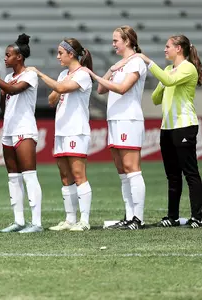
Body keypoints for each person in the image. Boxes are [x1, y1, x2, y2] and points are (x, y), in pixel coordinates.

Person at [82, 26, 147, 230]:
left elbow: (121, 88)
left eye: (116, 40)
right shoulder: (120, 64)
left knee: (132, 169)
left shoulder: (136, 62)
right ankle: (129, 216)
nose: (113, 44)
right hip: (115, 120)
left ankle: (138, 217)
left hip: (129, 119)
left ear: (127, 41)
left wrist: (93, 74)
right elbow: (101, 89)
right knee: (122, 170)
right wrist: (112, 68)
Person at [26, 38, 93, 231]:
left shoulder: (83, 74)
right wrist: (59, 84)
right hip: (62, 130)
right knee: (65, 176)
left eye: (60, 53)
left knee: (79, 174)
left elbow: (61, 88)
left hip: (76, 130)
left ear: (71, 54)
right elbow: (52, 98)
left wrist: (39, 73)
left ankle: (84, 220)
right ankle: (70, 219)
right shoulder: (65, 73)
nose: (58, 57)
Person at [137, 35, 202, 228]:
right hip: (167, 127)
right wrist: (163, 82)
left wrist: (148, 61)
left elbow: (168, 81)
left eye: (168, 46)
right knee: (172, 175)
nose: (165, 50)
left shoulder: (188, 68)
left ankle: (198, 216)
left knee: (190, 173)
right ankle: (172, 216)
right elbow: (157, 98)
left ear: (179, 49)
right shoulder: (168, 70)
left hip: (184, 125)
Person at [0, 33, 43, 233]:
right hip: (8, 130)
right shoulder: (8, 77)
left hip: (24, 130)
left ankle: (36, 222)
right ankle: (19, 220)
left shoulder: (30, 75)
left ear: (19, 57)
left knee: (29, 175)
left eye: (8, 55)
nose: (5, 58)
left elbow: (14, 90)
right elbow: (4, 103)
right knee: (13, 177)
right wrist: (2, 90)